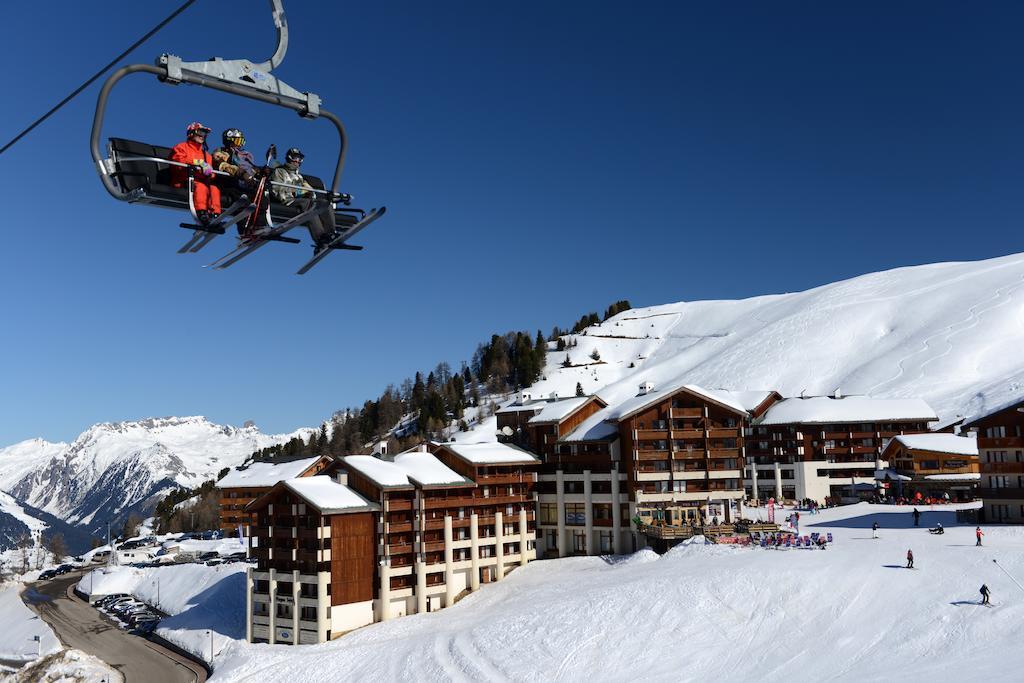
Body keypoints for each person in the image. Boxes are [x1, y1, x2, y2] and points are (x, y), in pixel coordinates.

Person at [270, 147, 338, 250]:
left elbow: (310, 191)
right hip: (287, 201)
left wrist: (311, 193)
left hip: (301, 200)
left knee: (324, 203)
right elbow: (278, 192)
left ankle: (331, 233)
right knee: (309, 205)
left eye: (300, 159)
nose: (298, 161)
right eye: (295, 158)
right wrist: (298, 192)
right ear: (289, 158)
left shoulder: (299, 177)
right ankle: (320, 237)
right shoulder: (280, 172)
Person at [170, 122, 221, 224]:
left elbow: (211, 173)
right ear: (192, 133)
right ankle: (201, 213)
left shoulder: (206, 155)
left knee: (214, 189)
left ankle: (215, 215)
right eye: (200, 132)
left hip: (200, 182)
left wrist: (210, 173)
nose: (203, 136)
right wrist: (197, 163)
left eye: (205, 133)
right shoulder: (181, 147)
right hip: (184, 180)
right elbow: (178, 161)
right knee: (201, 187)